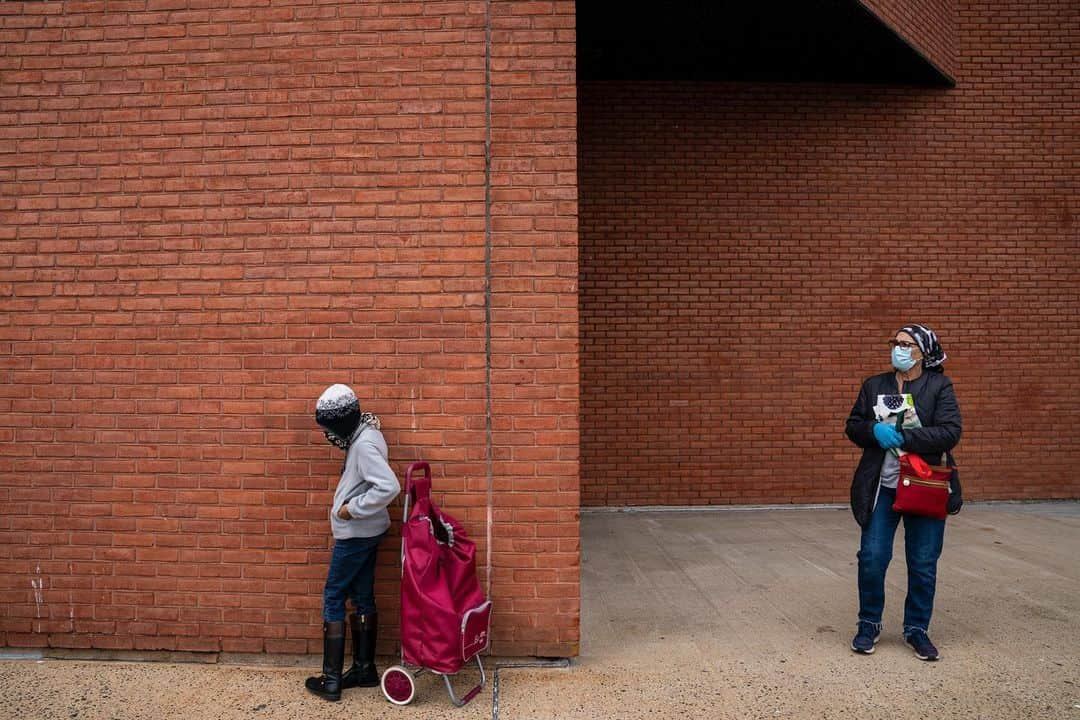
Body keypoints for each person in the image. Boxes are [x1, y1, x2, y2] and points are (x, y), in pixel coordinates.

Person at [844, 324, 962, 661]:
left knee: (923, 562)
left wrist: (905, 437)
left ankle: (916, 629)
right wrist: (872, 429)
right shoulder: (874, 385)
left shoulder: (939, 386)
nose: (898, 348)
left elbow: (950, 432)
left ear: (923, 351)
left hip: (924, 486)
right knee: (872, 557)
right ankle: (869, 623)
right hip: (882, 486)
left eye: (906, 344)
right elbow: (853, 425)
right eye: (895, 342)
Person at [305, 384, 400, 701]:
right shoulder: (365, 434)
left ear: (342, 421)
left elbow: (388, 486)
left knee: (333, 597)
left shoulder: (363, 446)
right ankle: (364, 670)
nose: (328, 434)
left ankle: (330, 680)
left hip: (356, 533)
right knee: (362, 596)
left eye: (330, 426)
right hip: (367, 531)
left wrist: (350, 510)